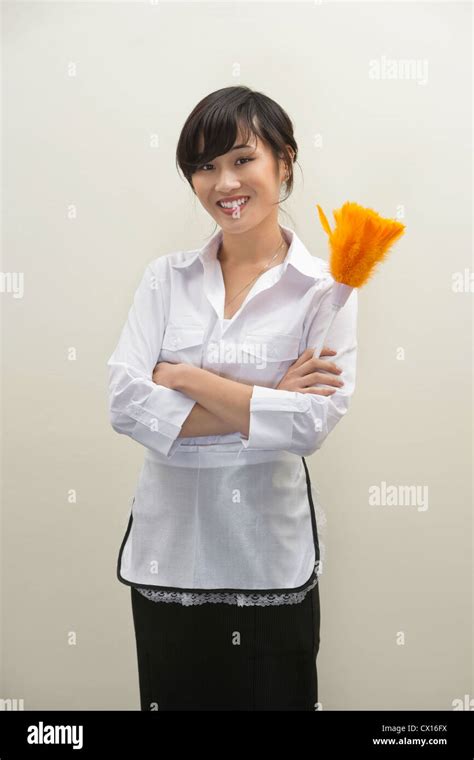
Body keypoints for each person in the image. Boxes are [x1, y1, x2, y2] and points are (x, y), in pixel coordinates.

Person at [107, 85, 358, 711]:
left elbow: (311, 424)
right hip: (169, 558)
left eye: (242, 159)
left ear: (285, 162)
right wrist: (267, 399)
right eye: (204, 165)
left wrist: (189, 379)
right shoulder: (164, 278)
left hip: (268, 559)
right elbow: (124, 403)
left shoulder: (327, 291)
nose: (224, 182)